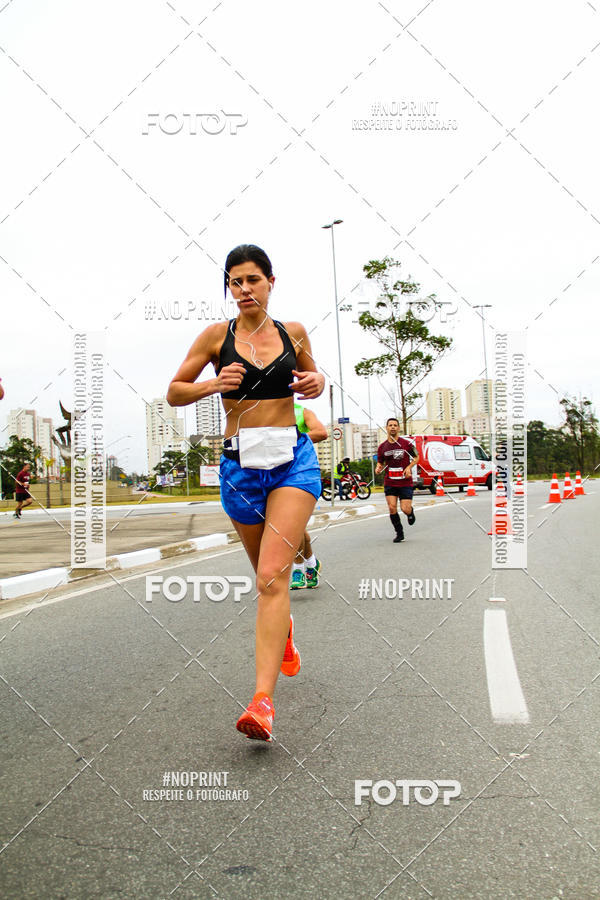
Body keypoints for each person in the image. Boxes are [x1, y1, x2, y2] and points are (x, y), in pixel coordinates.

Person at [167, 244, 325, 743]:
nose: (244, 289)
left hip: (291, 463)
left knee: (272, 578)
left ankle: (262, 703)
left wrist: (318, 379)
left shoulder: (292, 332)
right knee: (266, 582)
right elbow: (173, 390)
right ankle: (285, 632)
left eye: (252, 279)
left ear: (271, 282)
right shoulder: (217, 338)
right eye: (235, 282)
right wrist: (214, 386)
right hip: (240, 468)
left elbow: (313, 377)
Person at [290, 403, 327, 590]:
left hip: (299, 474)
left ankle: (298, 569)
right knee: (297, 528)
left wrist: (288, 440)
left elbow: (321, 432)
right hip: (271, 475)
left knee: (292, 526)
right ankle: (312, 564)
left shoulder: (302, 412)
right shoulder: (261, 409)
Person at [375, 418, 419, 543]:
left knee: (405, 508)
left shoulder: (406, 444)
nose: (393, 427)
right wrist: (378, 468)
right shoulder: (382, 447)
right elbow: (380, 462)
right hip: (390, 482)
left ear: (398, 428)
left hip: (404, 482)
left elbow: (417, 457)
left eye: (395, 425)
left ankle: (410, 513)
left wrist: (409, 467)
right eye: (390, 425)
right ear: (387, 428)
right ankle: (399, 533)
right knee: (392, 507)